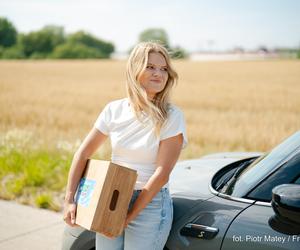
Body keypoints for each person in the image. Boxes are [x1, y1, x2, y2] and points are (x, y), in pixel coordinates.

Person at [63, 41, 188, 250]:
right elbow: (83, 153)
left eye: (164, 69)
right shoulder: (114, 109)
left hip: (150, 204)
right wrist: (69, 200)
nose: (159, 74)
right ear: (134, 69)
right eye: (150, 67)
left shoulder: (172, 116)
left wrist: (129, 216)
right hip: (112, 196)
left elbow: (161, 174)